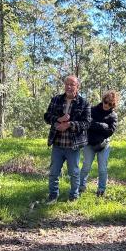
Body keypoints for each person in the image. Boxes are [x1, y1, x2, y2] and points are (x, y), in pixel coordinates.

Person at [43, 75, 91, 203]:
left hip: (73, 145)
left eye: (72, 84)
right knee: (54, 172)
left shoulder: (84, 103)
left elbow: (86, 123)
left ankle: (73, 196)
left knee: (74, 172)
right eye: (67, 84)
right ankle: (53, 195)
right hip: (57, 143)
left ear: (77, 86)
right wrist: (58, 120)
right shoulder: (56, 99)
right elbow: (47, 116)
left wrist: (70, 124)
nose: (69, 87)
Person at [79, 91, 119, 197]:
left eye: (110, 104)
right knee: (86, 166)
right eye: (106, 102)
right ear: (103, 100)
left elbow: (110, 131)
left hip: (103, 145)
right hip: (89, 143)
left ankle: (101, 190)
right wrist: (103, 126)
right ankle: (81, 187)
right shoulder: (92, 110)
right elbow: (87, 124)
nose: (107, 105)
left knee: (102, 168)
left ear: (113, 105)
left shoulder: (113, 116)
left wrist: (97, 126)